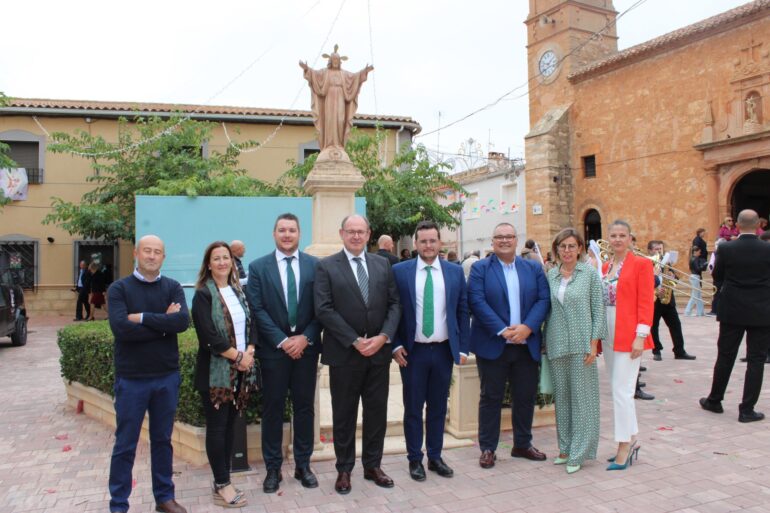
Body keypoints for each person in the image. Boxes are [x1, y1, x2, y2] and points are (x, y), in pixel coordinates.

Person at [314, 214, 401, 494]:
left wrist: (383, 337)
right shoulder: (326, 266)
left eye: (360, 232)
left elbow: (394, 304)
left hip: (378, 354)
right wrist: (353, 340)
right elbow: (324, 309)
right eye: (350, 231)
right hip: (344, 355)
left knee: (376, 413)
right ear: (342, 234)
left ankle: (373, 465)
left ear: (368, 234)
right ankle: (344, 469)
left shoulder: (382, 264)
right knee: (344, 414)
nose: (355, 236)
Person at [107, 235, 190, 513]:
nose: (152, 256)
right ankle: (119, 503)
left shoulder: (173, 287)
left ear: (163, 257)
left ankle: (164, 497)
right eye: (147, 251)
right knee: (125, 444)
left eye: (157, 252)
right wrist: (163, 322)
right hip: (132, 379)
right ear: (136, 254)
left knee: (163, 440)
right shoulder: (119, 289)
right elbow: (120, 328)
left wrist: (141, 317)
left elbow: (181, 322)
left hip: (166, 376)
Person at [247, 213, 321, 493]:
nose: (287, 234)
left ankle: (303, 465)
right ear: (274, 234)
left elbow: (321, 308)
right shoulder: (258, 267)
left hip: (306, 350)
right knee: (273, 409)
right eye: (282, 230)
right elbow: (257, 309)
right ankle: (273, 469)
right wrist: (282, 340)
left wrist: (305, 338)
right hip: (273, 353)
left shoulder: (316, 266)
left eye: (292, 230)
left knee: (304, 408)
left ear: (299, 233)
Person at [392, 221, 470, 481]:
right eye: (423, 241)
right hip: (412, 353)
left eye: (432, 241)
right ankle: (415, 459)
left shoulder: (454, 272)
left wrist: (463, 348)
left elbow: (462, 310)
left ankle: (435, 456)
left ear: (440, 243)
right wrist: (395, 345)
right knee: (413, 408)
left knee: (437, 407)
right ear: (415, 244)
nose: (428, 245)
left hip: (444, 351)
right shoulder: (399, 272)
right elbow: (392, 311)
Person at [468, 222, 550, 469]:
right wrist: (503, 330)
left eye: (509, 236)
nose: (504, 240)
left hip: (526, 344)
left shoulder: (533, 268)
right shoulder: (480, 268)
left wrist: (528, 327)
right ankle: (488, 449)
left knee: (524, 397)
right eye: (499, 237)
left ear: (516, 240)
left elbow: (543, 299)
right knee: (490, 397)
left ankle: (522, 444)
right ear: (492, 242)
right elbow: (477, 300)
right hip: (493, 343)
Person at [191, 242, 258, 508]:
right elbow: (208, 336)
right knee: (218, 429)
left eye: (225, 258)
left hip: (241, 372)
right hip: (216, 374)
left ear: (232, 261)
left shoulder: (238, 291)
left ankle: (224, 478)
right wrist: (238, 357)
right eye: (216, 258)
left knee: (231, 427)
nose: (221, 262)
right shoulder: (203, 295)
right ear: (208, 264)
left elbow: (253, 325)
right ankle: (222, 485)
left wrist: (250, 351)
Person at [544, 228, 607, 474]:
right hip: (557, 344)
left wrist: (594, 344)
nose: (567, 251)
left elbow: (598, 310)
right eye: (563, 247)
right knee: (563, 400)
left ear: (580, 248)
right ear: (556, 250)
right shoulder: (551, 275)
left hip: (582, 345)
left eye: (571, 246)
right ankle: (565, 448)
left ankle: (579, 453)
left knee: (583, 401)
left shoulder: (589, 273)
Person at [700, 209, 770, 423]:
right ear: (758, 224)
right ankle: (747, 409)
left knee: (726, 356)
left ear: (737, 226)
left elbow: (717, 275)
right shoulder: (768, 249)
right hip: (761, 309)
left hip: (732, 308)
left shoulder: (726, 248)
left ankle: (715, 399)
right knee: (756, 360)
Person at [601, 220, 654, 471]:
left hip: (629, 332)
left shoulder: (642, 264)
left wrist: (641, 335)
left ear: (631, 238)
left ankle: (623, 444)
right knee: (617, 388)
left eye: (623, 235)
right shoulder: (605, 266)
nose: (618, 239)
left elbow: (646, 302)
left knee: (622, 391)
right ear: (608, 239)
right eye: (614, 235)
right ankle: (631, 438)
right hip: (609, 332)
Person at [299, 46, 374, 153]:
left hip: (340, 98)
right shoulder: (325, 72)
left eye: (337, 60)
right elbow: (314, 74)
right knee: (329, 120)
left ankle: (338, 144)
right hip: (329, 98)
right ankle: (329, 144)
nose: (335, 62)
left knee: (340, 120)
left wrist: (365, 71)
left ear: (340, 62)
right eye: (333, 59)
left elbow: (354, 77)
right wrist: (306, 69)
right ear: (330, 61)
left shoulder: (344, 74)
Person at [648, 240, 696, 361]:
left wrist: (672, 277)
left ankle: (679, 351)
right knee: (654, 327)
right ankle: (657, 351)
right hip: (655, 300)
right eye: (656, 249)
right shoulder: (647, 263)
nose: (659, 251)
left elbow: (675, 281)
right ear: (650, 251)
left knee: (676, 325)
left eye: (660, 249)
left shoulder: (667, 264)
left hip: (668, 300)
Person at [684, 246, 708, 317]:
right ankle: (687, 311)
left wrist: (703, 266)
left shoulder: (692, 258)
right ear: (695, 252)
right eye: (699, 252)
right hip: (695, 277)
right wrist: (704, 265)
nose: (699, 253)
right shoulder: (695, 259)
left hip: (694, 276)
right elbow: (698, 269)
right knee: (695, 296)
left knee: (698, 295)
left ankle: (700, 312)